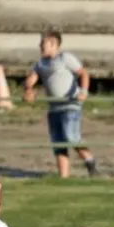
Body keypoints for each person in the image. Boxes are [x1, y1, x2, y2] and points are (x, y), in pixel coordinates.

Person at [23, 29, 97, 178]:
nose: (40, 47)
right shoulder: (40, 64)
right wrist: (29, 90)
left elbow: (83, 73)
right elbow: (31, 79)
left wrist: (83, 91)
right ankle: (64, 177)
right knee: (58, 142)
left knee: (71, 137)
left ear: (54, 45)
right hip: (54, 107)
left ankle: (90, 161)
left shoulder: (65, 58)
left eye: (43, 44)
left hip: (70, 105)